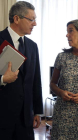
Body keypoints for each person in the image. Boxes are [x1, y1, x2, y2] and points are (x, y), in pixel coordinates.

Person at [0, 1, 43, 140]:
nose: (35, 23)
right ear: (16, 19)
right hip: (2, 116)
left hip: (25, 118)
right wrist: (2, 79)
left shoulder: (32, 46)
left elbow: (36, 80)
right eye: (31, 19)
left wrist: (37, 111)